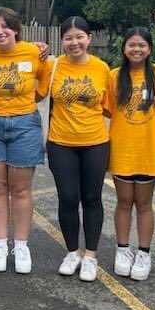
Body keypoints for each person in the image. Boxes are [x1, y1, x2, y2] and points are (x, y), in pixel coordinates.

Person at [0, 7, 50, 274]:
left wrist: (25, 103)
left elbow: (43, 86)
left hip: (25, 125)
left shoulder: (33, 52)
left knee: (20, 189)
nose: (0, 31)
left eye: (5, 26)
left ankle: (21, 245)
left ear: (16, 29)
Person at [47, 16, 111, 282]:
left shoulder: (102, 68)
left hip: (95, 142)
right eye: (68, 37)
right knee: (68, 198)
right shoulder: (52, 66)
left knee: (92, 198)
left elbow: (109, 106)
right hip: (60, 142)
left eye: (79, 36)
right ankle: (72, 252)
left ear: (89, 38)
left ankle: (91, 256)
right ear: (62, 40)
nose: (74, 42)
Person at [106, 27, 155, 281]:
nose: (137, 49)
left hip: (148, 148)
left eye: (142, 45)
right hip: (122, 148)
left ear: (149, 49)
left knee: (144, 204)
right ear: (124, 49)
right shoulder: (114, 76)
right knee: (123, 201)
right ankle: (122, 250)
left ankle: (144, 253)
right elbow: (108, 108)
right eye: (132, 44)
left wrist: (151, 115)